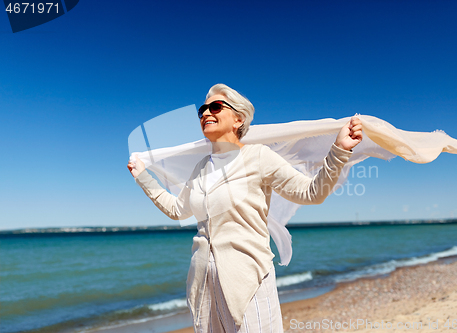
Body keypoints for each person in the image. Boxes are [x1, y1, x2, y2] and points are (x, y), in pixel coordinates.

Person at [127, 84, 363, 333]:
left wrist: (339, 151)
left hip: (249, 284)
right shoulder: (200, 169)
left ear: (238, 119)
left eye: (215, 107)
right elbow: (177, 210)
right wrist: (143, 177)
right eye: (202, 110)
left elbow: (311, 192)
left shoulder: (258, 157)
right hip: (204, 288)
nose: (206, 113)